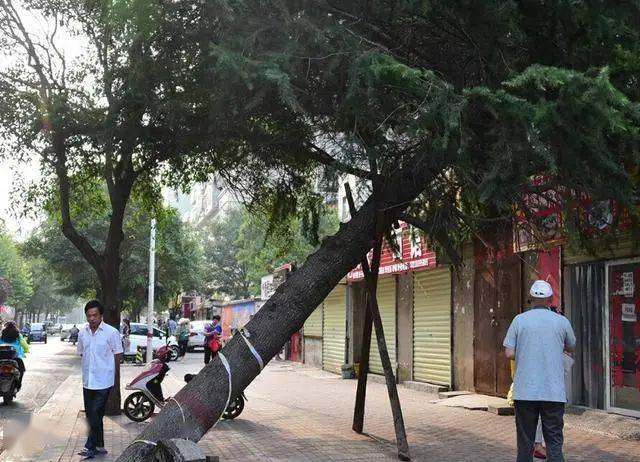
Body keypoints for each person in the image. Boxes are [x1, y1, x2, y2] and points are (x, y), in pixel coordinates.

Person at [504, 280, 576, 462]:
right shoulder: (561, 322)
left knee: (525, 444)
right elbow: (571, 345)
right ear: (551, 299)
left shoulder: (519, 321)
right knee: (554, 443)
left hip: (525, 393)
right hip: (553, 393)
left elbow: (509, 352)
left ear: (531, 298)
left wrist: (527, 353)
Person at [76, 300, 123, 460]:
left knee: (95, 414)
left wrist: (114, 377)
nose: (92, 318)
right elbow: (82, 353)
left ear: (101, 315)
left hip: (104, 381)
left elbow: (118, 354)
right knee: (93, 415)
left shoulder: (111, 332)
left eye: (95, 315)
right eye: (89, 315)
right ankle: (100, 445)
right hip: (88, 381)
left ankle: (90, 447)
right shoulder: (82, 333)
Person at [0, 321, 27, 389]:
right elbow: (25, 346)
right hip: (14, 358)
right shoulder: (18, 335)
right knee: (21, 369)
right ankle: (18, 385)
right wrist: (26, 350)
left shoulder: (2, 335)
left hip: (1, 357)